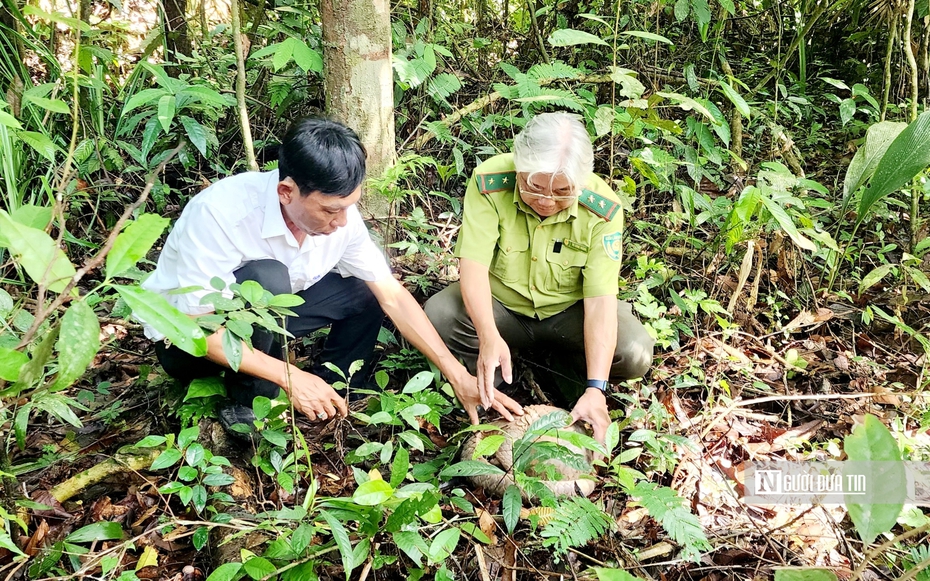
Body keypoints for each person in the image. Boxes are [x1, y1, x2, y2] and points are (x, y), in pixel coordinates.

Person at [142, 117, 523, 432]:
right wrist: (289, 375)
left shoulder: (342, 219)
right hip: (189, 343)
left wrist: (456, 374)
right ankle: (250, 403)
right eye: (329, 210)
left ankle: (337, 386)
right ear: (287, 191)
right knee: (267, 278)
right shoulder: (220, 214)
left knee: (365, 290)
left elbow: (391, 294)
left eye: (349, 207)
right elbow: (193, 329)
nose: (342, 222)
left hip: (274, 318)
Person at [424, 112, 655, 443]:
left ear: (582, 181)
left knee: (634, 352)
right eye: (534, 186)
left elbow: (601, 303)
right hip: (502, 306)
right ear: (519, 168)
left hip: (568, 313)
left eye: (562, 192)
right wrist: (488, 336)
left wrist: (597, 388)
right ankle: (495, 386)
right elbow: (472, 267)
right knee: (439, 316)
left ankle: (573, 373)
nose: (547, 200)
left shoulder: (603, 208)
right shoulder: (491, 181)